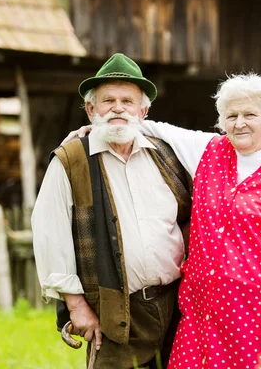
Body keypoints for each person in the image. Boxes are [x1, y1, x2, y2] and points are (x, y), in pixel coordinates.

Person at [66, 73, 261, 368]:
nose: (239, 123)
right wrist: (108, 125)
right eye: (232, 115)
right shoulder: (210, 151)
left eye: (249, 114)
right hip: (206, 318)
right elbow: (161, 129)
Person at [32, 53, 194, 368]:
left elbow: (193, 216)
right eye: (108, 101)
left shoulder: (167, 155)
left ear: (143, 110)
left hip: (177, 305)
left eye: (127, 101)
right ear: (91, 110)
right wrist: (75, 306)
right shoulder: (71, 160)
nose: (118, 108)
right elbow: (50, 232)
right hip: (116, 313)